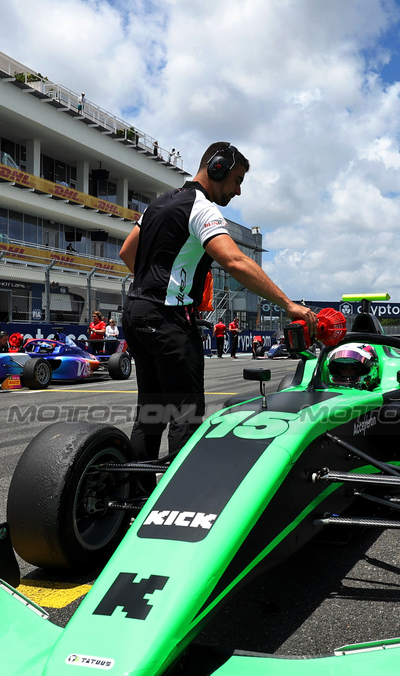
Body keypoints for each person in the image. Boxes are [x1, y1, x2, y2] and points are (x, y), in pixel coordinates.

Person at [118, 141, 316, 466]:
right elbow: (235, 262)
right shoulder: (202, 208)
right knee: (185, 416)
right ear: (217, 168)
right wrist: (288, 305)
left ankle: (136, 495)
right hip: (169, 321)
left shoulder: (158, 204)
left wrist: (156, 286)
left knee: (150, 415)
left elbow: (128, 252)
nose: (238, 191)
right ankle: (177, 499)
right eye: (237, 180)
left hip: (136, 312)